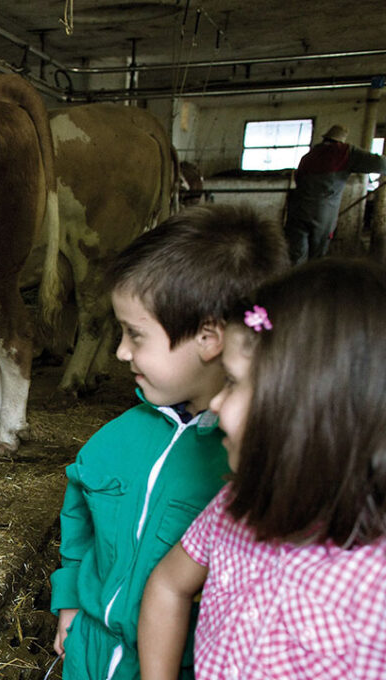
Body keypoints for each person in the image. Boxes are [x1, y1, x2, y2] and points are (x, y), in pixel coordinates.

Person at [49, 204, 288, 680]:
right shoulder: (116, 437)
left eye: (135, 335)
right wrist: (70, 602)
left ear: (208, 337)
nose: (120, 352)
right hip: (88, 649)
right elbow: (79, 516)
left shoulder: (247, 465)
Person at [138, 258, 386, 679]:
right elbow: (168, 584)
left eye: (232, 383)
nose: (214, 403)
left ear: (300, 405)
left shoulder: (374, 588)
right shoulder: (235, 505)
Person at [282, 124, 386, 264]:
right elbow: (379, 164)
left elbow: (298, 179)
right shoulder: (343, 152)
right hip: (322, 213)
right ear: (340, 141)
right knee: (317, 256)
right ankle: (314, 282)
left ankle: (294, 281)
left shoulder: (309, 155)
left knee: (296, 254)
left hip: (297, 210)